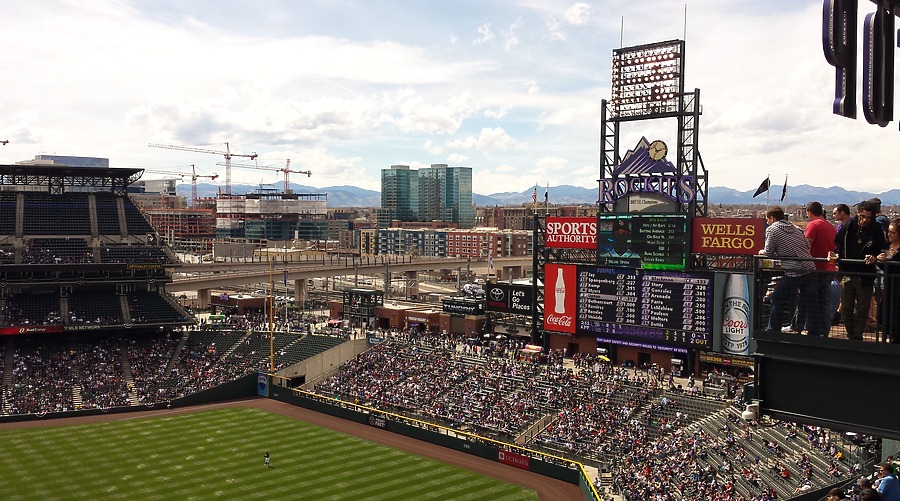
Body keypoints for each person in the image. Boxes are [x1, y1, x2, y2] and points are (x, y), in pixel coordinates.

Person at [835, 200, 886, 340]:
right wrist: (834, 255)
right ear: (857, 213)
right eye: (863, 216)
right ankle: (852, 335)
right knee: (845, 308)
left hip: (865, 275)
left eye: (869, 217)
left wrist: (875, 256)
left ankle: (857, 336)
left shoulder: (876, 230)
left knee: (863, 309)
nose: (865, 220)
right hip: (847, 273)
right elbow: (837, 246)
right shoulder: (847, 228)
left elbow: (881, 250)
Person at [761, 206, 816, 333]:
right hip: (810, 268)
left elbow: (768, 252)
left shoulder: (772, 229)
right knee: (810, 303)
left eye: (767, 219)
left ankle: (773, 331)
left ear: (772, 218)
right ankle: (814, 333)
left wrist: (761, 251)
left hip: (794, 271)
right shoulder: (796, 228)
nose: (767, 222)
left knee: (777, 299)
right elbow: (807, 245)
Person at [804, 201, 838, 336]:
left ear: (809, 213)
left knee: (810, 300)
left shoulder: (813, 225)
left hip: (816, 268)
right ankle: (824, 331)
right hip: (829, 269)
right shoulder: (831, 227)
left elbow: (806, 245)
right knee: (824, 302)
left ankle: (812, 330)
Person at [876, 218, 900, 343]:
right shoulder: (886, 246)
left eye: (893, 232)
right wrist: (878, 261)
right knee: (883, 314)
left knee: (895, 316)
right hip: (889, 286)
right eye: (888, 232)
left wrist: (888, 262)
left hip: (897, 288)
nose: (889, 234)